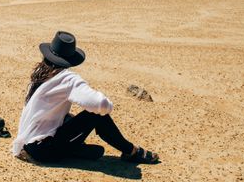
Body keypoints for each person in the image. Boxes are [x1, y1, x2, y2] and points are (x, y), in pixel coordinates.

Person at [12, 31, 159, 164]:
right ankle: (131, 151)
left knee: (69, 118)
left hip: (28, 143)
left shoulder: (40, 73)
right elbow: (99, 104)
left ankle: (73, 150)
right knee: (96, 116)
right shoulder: (66, 78)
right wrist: (108, 106)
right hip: (43, 151)